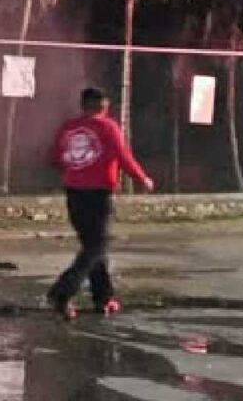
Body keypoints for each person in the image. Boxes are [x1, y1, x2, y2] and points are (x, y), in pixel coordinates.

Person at [47, 87, 154, 320]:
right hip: (97, 194)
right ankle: (62, 291)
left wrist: (75, 171)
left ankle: (103, 298)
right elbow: (123, 155)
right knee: (97, 246)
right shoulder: (108, 127)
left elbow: (56, 157)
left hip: (74, 193)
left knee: (93, 246)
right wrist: (142, 178)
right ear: (101, 106)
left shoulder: (69, 128)